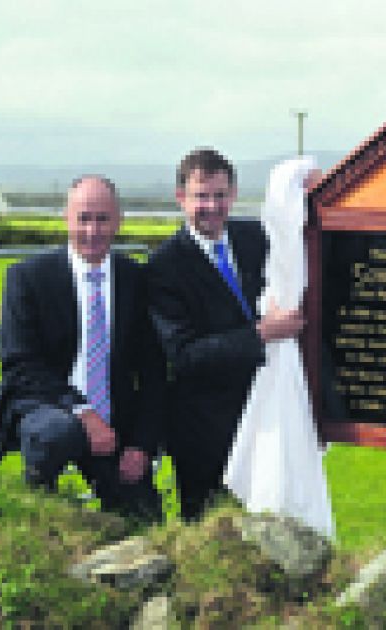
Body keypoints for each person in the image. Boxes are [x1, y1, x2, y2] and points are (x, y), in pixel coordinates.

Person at [0, 175, 163, 520]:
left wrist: (141, 445)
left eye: (102, 219)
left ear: (118, 220)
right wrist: (82, 411)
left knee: (145, 520)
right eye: (83, 218)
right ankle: (38, 507)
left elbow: (153, 370)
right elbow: (20, 365)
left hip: (114, 424)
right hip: (47, 407)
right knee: (56, 433)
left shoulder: (136, 280)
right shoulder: (28, 278)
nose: (93, 231)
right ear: (66, 217)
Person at [147, 148, 305, 521]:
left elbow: (298, 228)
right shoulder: (163, 267)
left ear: (233, 194)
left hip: (266, 409)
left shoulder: (256, 236)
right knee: (207, 532)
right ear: (180, 197)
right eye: (201, 196)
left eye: (220, 195)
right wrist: (261, 334)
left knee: (275, 519)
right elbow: (183, 354)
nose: (212, 206)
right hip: (203, 427)